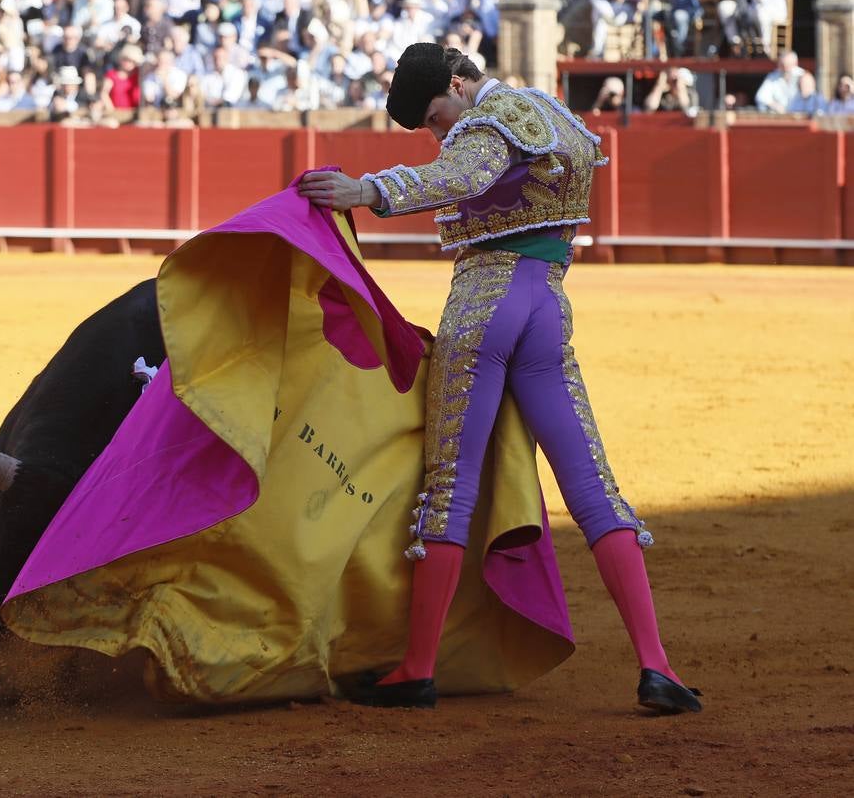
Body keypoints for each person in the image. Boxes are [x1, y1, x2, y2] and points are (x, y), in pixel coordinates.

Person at [296, 44, 701, 715]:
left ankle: (417, 669)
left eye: (435, 114)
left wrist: (367, 191)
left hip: (485, 307)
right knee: (594, 487)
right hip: (547, 306)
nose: (439, 132)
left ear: (460, 82)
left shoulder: (487, 124)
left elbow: (464, 173)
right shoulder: (552, 113)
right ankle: (656, 666)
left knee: (450, 485)